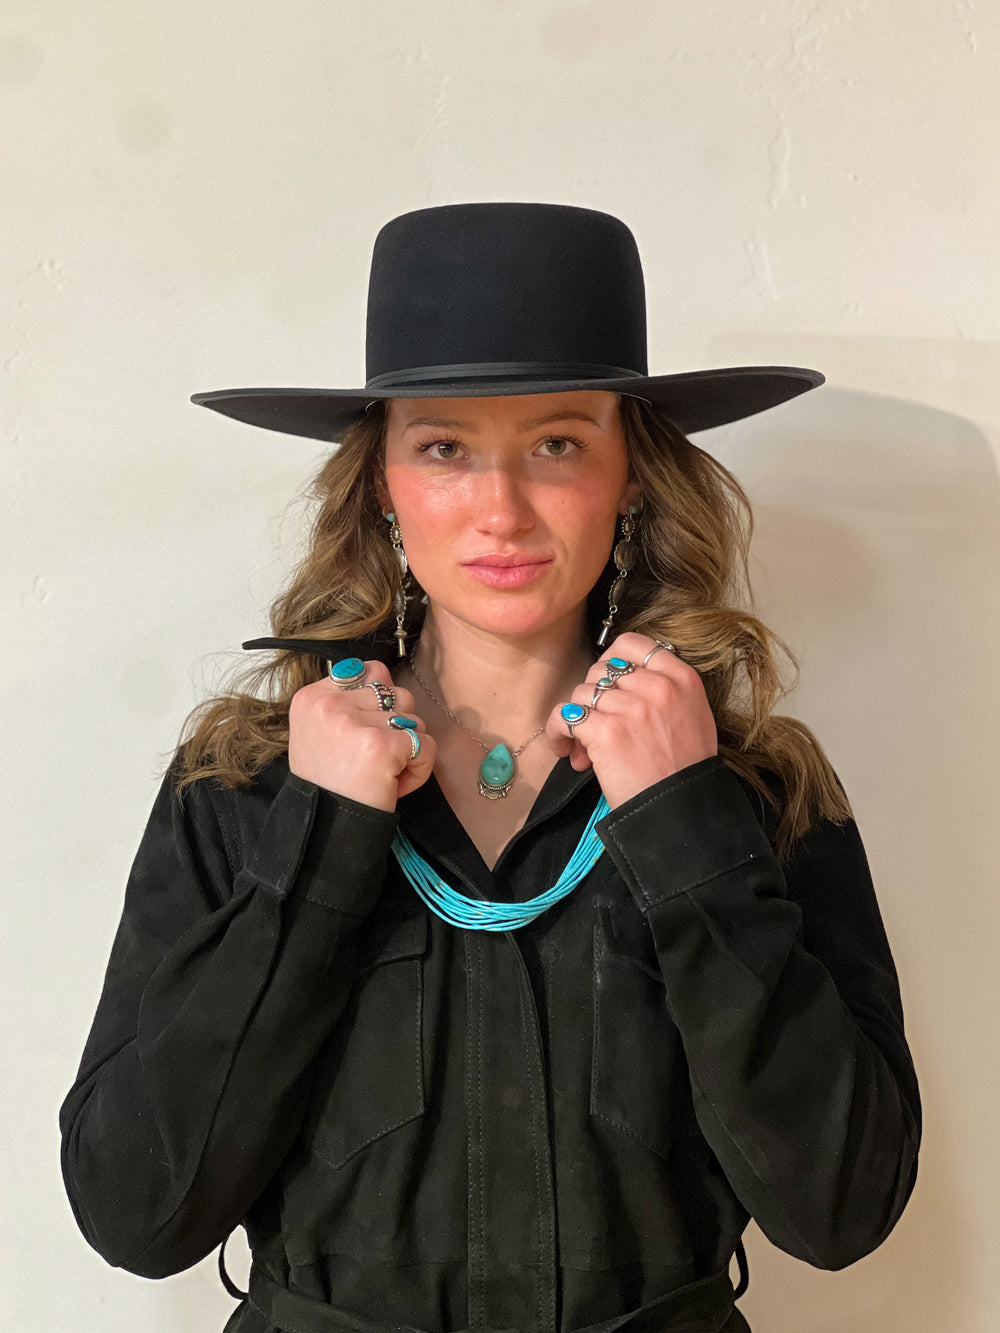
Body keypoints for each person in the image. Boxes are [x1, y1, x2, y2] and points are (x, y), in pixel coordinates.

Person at [60, 203, 920, 1333]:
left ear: (631, 474)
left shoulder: (755, 791)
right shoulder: (240, 787)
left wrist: (683, 826)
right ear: (381, 481)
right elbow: (138, 1214)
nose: (501, 510)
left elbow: (842, 1210)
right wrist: (317, 840)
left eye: (558, 444)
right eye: (444, 448)